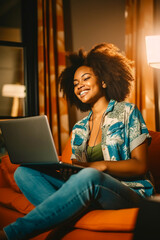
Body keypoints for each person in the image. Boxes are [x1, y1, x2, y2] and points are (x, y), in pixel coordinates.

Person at [0, 43, 155, 240]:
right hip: (89, 192)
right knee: (24, 173)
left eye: (86, 78)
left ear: (104, 81)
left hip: (128, 192)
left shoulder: (127, 112)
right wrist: (66, 170)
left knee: (89, 175)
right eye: (75, 83)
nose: (79, 85)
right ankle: (68, 214)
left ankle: (11, 234)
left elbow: (140, 165)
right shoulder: (79, 128)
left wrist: (100, 166)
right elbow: (78, 170)